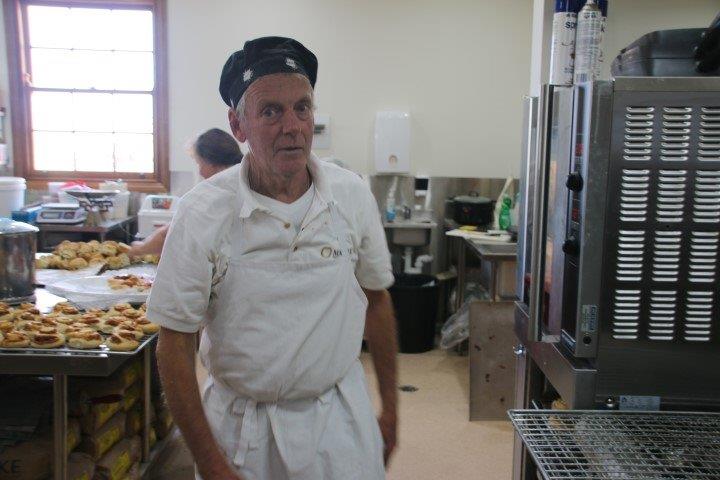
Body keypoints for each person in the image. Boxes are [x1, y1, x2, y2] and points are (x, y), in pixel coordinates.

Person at [147, 36, 398, 480]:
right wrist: (208, 460)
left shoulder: (351, 195)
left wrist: (391, 411)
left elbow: (376, 301)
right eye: (270, 112)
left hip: (338, 421)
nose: (292, 126)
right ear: (238, 125)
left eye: (302, 108)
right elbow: (175, 341)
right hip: (240, 431)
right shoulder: (202, 212)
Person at [128, 128, 242, 258]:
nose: (200, 172)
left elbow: (170, 235)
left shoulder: (209, 196)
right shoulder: (248, 182)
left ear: (211, 162)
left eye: (199, 164)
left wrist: (139, 249)